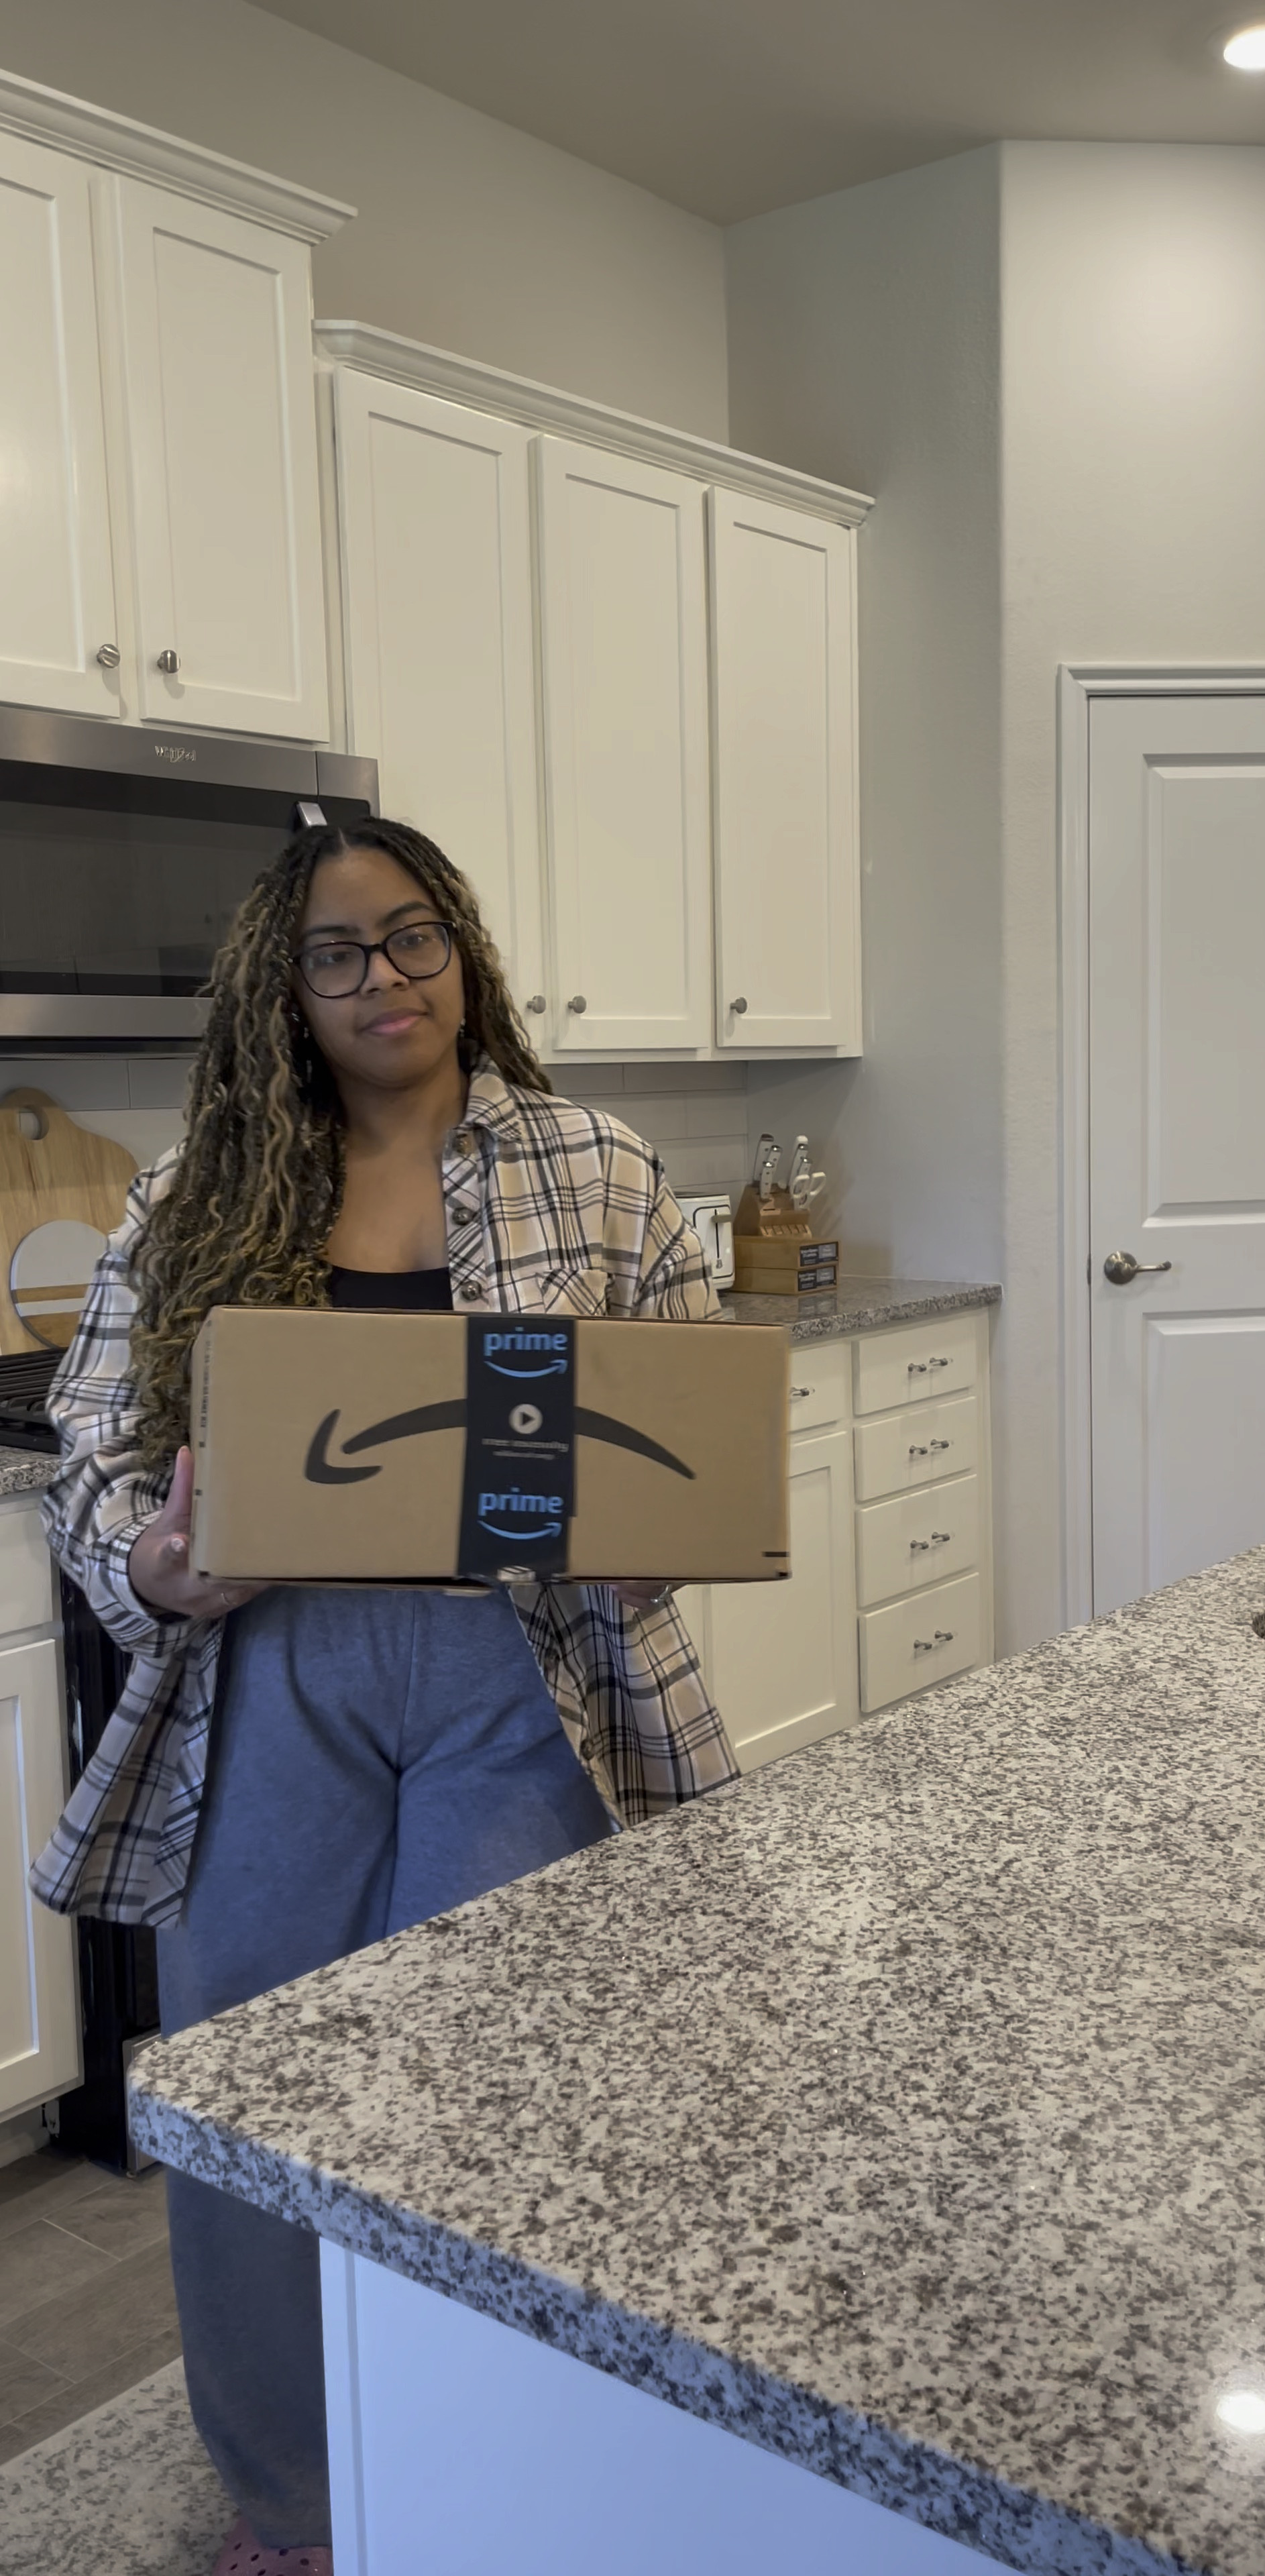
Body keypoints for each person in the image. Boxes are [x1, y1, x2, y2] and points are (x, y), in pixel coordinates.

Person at [30, 816, 737, 2576]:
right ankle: (292, 2506)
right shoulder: (202, 1190)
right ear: (289, 990)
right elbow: (91, 1441)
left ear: (464, 949)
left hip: (521, 1674)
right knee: (252, 2094)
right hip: (274, 1676)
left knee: (493, 2100)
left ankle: (497, 2477)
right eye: (336, 954)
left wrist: (673, 1525)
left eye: (410, 937)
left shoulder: (598, 1165)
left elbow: (701, 1390)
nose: (381, 980)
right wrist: (159, 1565)